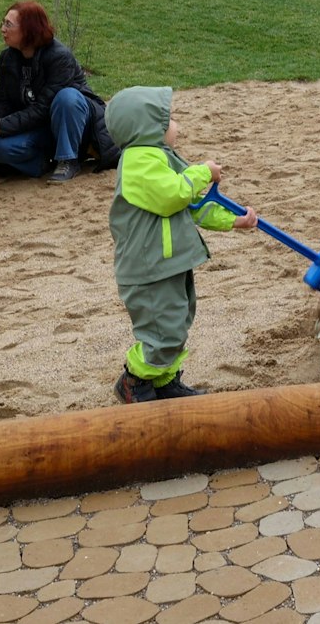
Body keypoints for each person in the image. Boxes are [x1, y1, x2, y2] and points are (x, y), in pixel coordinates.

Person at [103, 86, 257, 403]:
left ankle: (163, 381)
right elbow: (173, 195)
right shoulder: (137, 162)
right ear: (146, 127)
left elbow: (192, 206)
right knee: (163, 331)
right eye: (169, 119)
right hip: (148, 267)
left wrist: (232, 220)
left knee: (177, 321)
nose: (177, 125)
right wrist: (202, 171)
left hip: (169, 263)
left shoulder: (160, 158)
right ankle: (133, 379)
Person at [0, 0, 119, 182]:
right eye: (3, 22)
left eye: (8, 24)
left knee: (67, 97)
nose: (3, 29)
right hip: (40, 128)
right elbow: (3, 101)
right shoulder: (7, 58)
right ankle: (42, 165)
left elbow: (42, 109)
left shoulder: (59, 57)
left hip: (75, 129)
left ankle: (68, 160)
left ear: (29, 30)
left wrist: (1, 126)